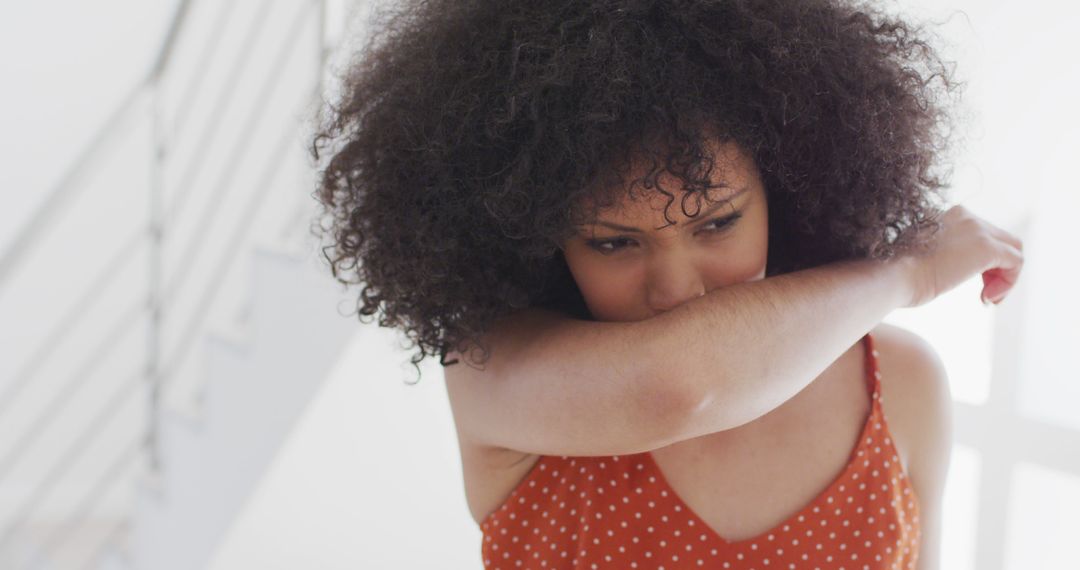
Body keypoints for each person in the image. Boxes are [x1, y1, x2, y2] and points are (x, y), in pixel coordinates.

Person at [309, 0, 1024, 568]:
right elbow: (682, 386)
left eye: (717, 224)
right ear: (537, 238)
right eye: (615, 243)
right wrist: (910, 270)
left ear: (789, 188)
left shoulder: (898, 382)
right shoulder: (493, 368)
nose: (677, 290)